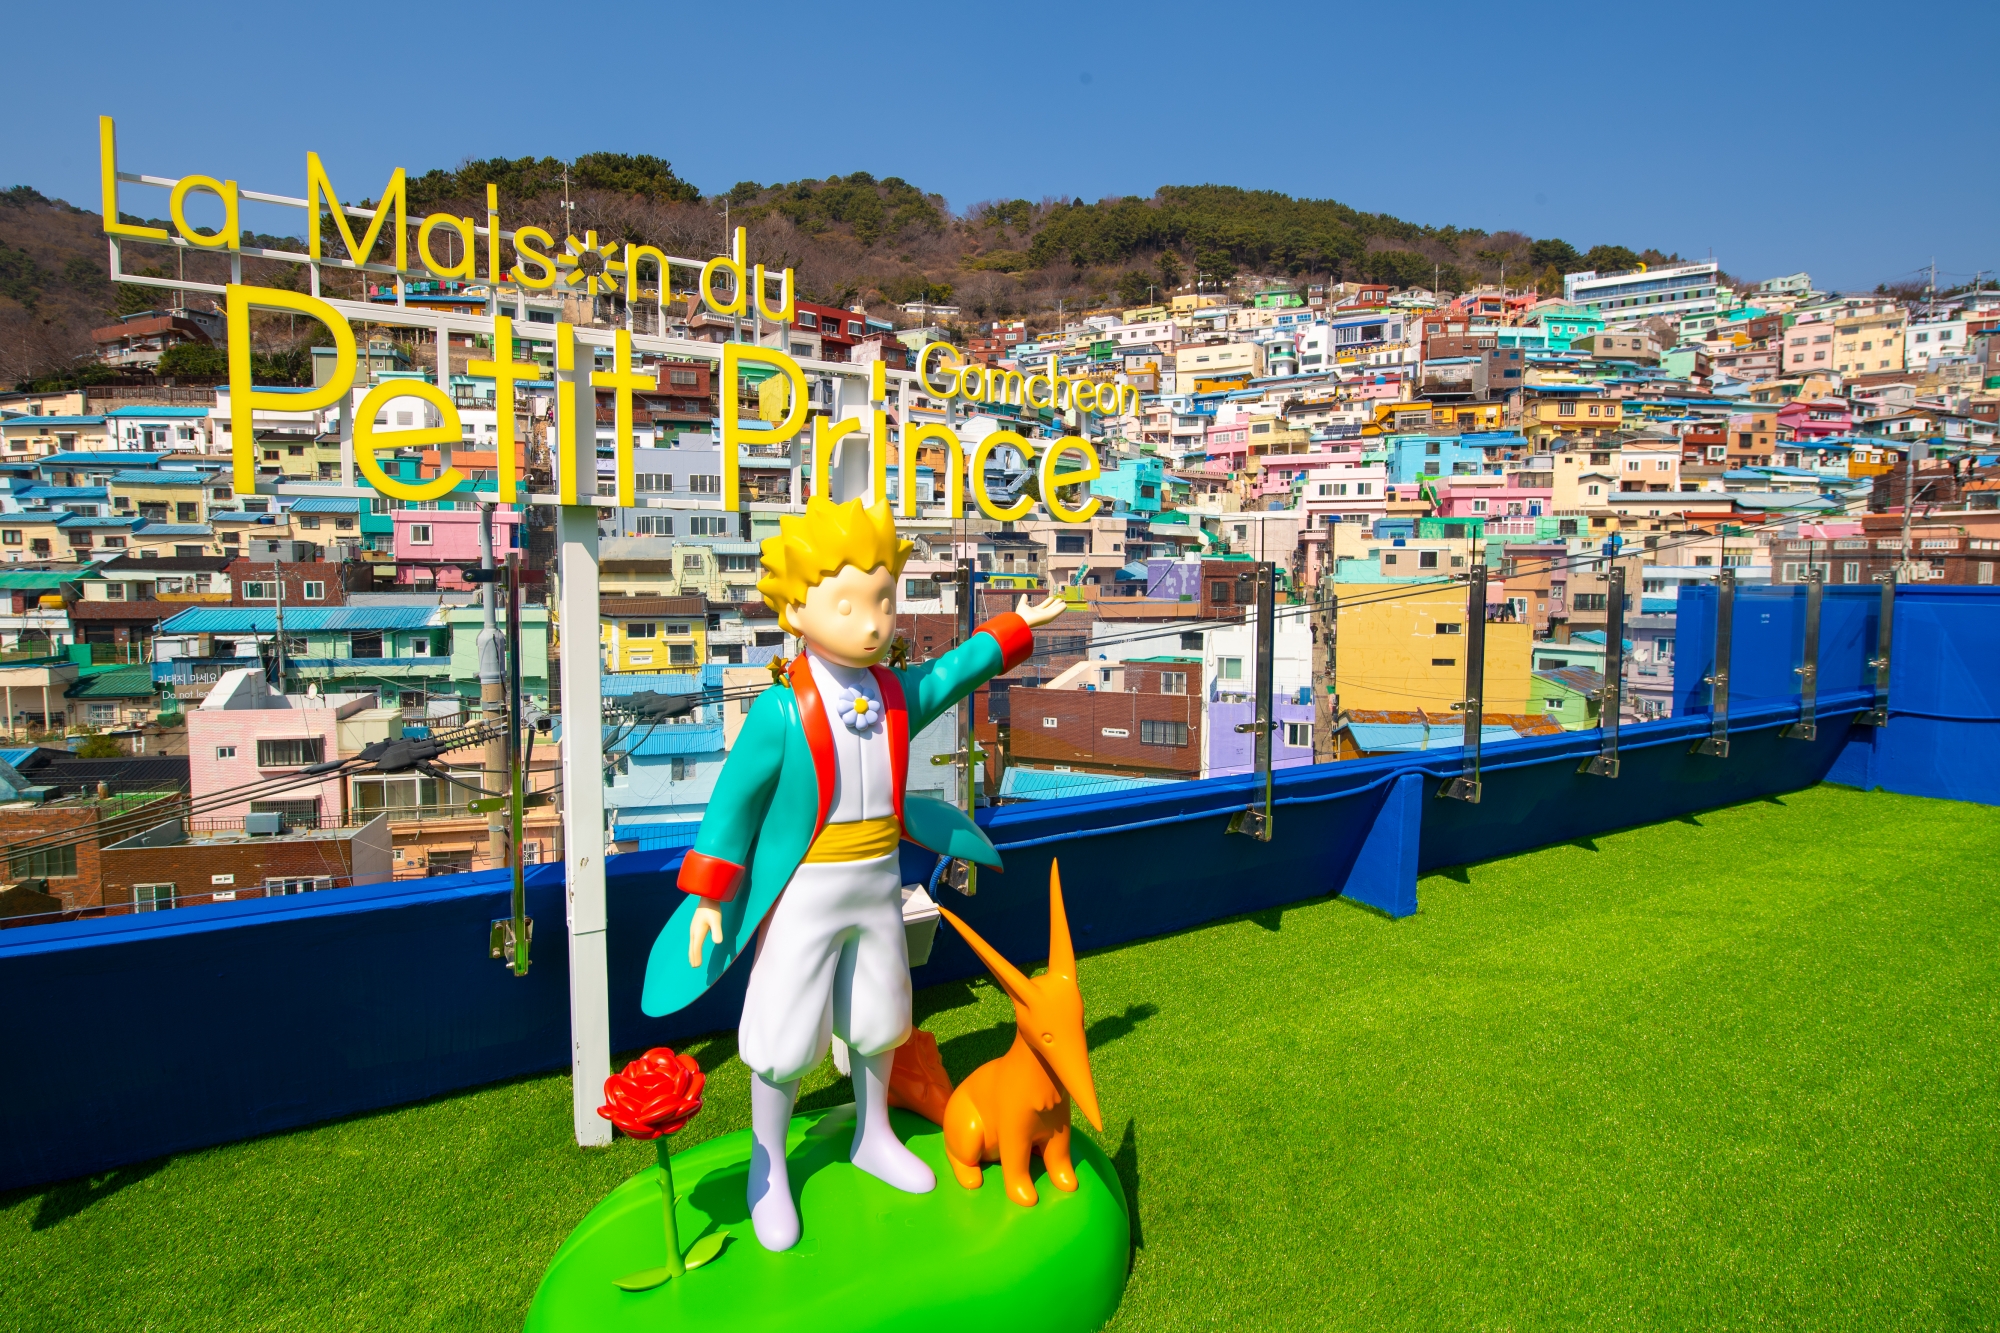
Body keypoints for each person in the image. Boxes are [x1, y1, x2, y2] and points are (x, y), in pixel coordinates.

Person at [640, 494, 1065, 1250]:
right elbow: (733, 802)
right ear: (795, 610)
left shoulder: (893, 693)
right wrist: (709, 894)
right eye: (847, 602)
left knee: (878, 1017)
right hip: (803, 891)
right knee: (783, 1028)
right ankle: (765, 1167)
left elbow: (955, 672)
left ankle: (874, 1132)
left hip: (877, 881)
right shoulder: (779, 712)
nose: (872, 621)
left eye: (882, 600)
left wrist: (1017, 627)